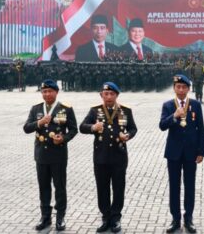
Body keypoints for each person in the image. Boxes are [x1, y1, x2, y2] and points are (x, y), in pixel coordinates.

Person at [79, 82, 138, 233]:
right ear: (101, 95)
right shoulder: (95, 111)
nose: (109, 97)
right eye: (106, 94)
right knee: (102, 188)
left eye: (112, 94)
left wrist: (128, 135)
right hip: (101, 157)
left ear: (117, 95)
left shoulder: (125, 111)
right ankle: (105, 217)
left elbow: (133, 128)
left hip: (119, 157)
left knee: (119, 188)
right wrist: (93, 128)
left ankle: (116, 217)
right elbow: (82, 127)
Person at [22, 79, 78, 231]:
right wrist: (39, 123)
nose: (47, 94)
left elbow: (73, 130)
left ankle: (60, 217)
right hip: (41, 155)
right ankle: (45, 217)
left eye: (50, 91)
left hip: (58, 155)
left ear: (56, 92)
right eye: (44, 91)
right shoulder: (36, 109)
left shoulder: (65, 108)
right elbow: (26, 128)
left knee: (59, 187)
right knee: (43, 187)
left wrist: (63, 139)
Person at [159, 74, 204, 233]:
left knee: (190, 186)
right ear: (174, 88)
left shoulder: (195, 105)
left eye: (184, 87)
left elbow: (201, 129)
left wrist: (201, 151)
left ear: (188, 89)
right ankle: (175, 219)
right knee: (174, 186)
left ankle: (189, 218)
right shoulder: (168, 105)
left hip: (191, 153)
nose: (180, 89)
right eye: (178, 87)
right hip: (173, 153)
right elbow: (162, 125)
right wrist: (174, 116)